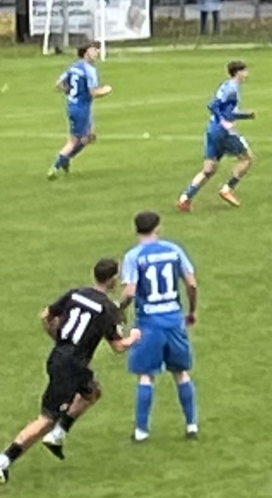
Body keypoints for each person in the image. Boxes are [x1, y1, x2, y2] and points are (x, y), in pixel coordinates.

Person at [0, 258, 140, 482]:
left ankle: (58, 434)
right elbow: (118, 347)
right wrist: (134, 336)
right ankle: (4, 460)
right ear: (112, 279)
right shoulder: (107, 308)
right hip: (71, 366)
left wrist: (58, 338)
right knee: (46, 418)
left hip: (61, 357)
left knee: (92, 391)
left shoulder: (76, 294)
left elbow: (46, 315)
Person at [122, 210, 200, 443]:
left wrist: (118, 309)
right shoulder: (173, 250)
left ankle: (141, 431)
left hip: (149, 323)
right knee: (181, 373)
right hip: (174, 320)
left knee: (146, 376)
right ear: (157, 228)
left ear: (136, 230)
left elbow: (130, 292)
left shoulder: (133, 256)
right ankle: (192, 425)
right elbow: (192, 284)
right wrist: (192, 311)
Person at [179, 59, 256, 211]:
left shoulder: (226, 85)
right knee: (247, 158)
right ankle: (228, 189)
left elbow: (225, 109)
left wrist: (244, 115)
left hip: (212, 128)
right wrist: (225, 121)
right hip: (224, 131)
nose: (247, 74)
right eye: (245, 71)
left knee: (209, 169)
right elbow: (213, 105)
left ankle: (185, 198)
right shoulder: (232, 89)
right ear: (238, 72)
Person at [48, 39, 111, 179]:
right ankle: (56, 166)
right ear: (86, 52)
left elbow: (59, 83)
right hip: (82, 108)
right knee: (75, 140)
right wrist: (106, 90)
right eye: (94, 49)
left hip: (73, 105)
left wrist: (68, 91)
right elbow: (93, 92)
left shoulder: (75, 66)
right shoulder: (90, 70)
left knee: (90, 136)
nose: (97, 52)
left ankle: (66, 159)